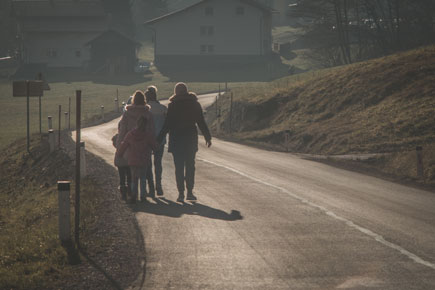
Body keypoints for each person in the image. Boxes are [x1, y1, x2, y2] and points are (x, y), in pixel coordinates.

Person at [157, 82, 212, 202]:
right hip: (190, 138)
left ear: (176, 92)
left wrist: (159, 138)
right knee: (190, 166)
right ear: (186, 91)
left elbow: (167, 124)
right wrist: (207, 136)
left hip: (177, 139)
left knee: (179, 167)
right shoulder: (195, 104)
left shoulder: (172, 105)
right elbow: (201, 121)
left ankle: (181, 193)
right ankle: (190, 192)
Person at [117, 90, 155, 200]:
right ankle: (143, 195)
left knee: (132, 174)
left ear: (133, 100)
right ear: (144, 100)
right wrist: (153, 145)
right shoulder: (148, 114)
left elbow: (122, 131)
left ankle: (133, 194)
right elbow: (152, 131)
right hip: (145, 148)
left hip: (130, 148)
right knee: (143, 175)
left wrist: (120, 147)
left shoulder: (127, 114)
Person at [144, 85, 167, 197]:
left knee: (148, 164)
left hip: (147, 140)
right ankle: (159, 186)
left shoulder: (145, 110)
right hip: (160, 140)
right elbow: (167, 125)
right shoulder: (163, 108)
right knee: (158, 163)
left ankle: (151, 188)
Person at [112, 129, 131, 201]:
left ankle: (123, 194)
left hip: (120, 160)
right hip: (128, 160)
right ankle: (130, 192)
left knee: (122, 177)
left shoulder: (117, 137)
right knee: (129, 177)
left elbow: (114, 144)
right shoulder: (130, 135)